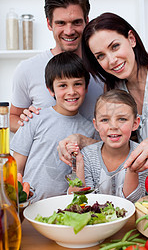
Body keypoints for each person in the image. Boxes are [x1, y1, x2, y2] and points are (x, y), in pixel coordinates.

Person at [58, 12, 148, 179]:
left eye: (115, 46)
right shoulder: (114, 89)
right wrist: (80, 140)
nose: (112, 60)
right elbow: (117, 147)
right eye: (101, 56)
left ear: (131, 39)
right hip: (146, 198)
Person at [10, 0, 103, 133]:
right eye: (61, 23)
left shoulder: (103, 64)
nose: (69, 31)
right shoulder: (27, 69)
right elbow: (12, 117)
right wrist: (27, 123)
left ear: (87, 21)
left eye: (76, 22)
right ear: (49, 23)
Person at [10, 51, 99, 202]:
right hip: (31, 203)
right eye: (63, 85)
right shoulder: (35, 118)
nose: (71, 92)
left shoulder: (90, 130)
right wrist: (17, 196)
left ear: (86, 86)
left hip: (68, 208)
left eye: (77, 84)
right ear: (51, 89)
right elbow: (16, 166)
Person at [67, 90, 148, 203]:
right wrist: (79, 165)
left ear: (135, 123)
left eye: (122, 119)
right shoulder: (87, 155)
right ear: (96, 124)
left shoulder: (141, 154)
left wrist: (132, 170)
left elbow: (135, 200)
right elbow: (79, 199)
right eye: (105, 120)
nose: (113, 126)